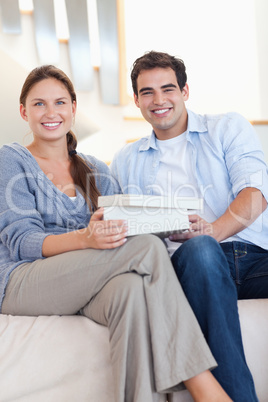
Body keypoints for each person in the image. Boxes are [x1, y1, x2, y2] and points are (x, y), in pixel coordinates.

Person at [0, 65, 233, 402]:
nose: (51, 113)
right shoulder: (11, 159)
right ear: (23, 111)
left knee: (132, 288)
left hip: (79, 281)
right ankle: (202, 384)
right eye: (39, 104)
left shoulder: (97, 170)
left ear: (73, 108)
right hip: (20, 281)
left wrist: (172, 221)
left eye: (60, 102)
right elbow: (23, 242)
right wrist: (86, 239)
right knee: (147, 252)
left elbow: (124, 229)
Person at [110, 50, 268, 401]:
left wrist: (213, 229)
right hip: (190, 266)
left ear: (184, 91)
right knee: (200, 249)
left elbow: (256, 194)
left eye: (168, 88)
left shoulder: (226, 127)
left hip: (253, 257)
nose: (159, 100)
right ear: (136, 100)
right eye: (147, 92)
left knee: (205, 242)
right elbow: (123, 227)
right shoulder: (124, 161)